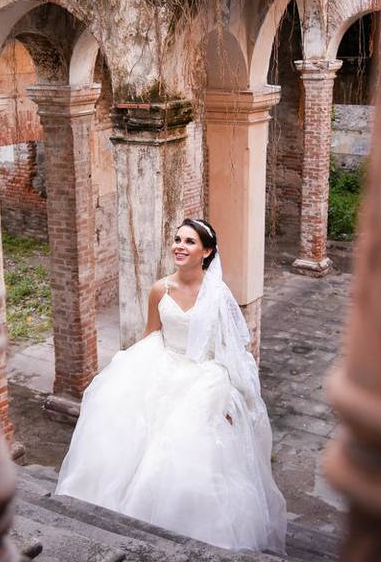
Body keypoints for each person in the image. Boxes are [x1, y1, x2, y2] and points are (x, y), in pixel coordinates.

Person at [54, 218, 287, 553]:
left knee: (189, 458)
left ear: (206, 252)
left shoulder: (219, 295)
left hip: (203, 380)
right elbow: (152, 333)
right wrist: (130, 377)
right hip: (161, 366)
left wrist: (233, 401)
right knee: (129, 446)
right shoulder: (160, 289)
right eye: (177, 239)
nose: (180, 246)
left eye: (190, 242)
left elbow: (231, 351)